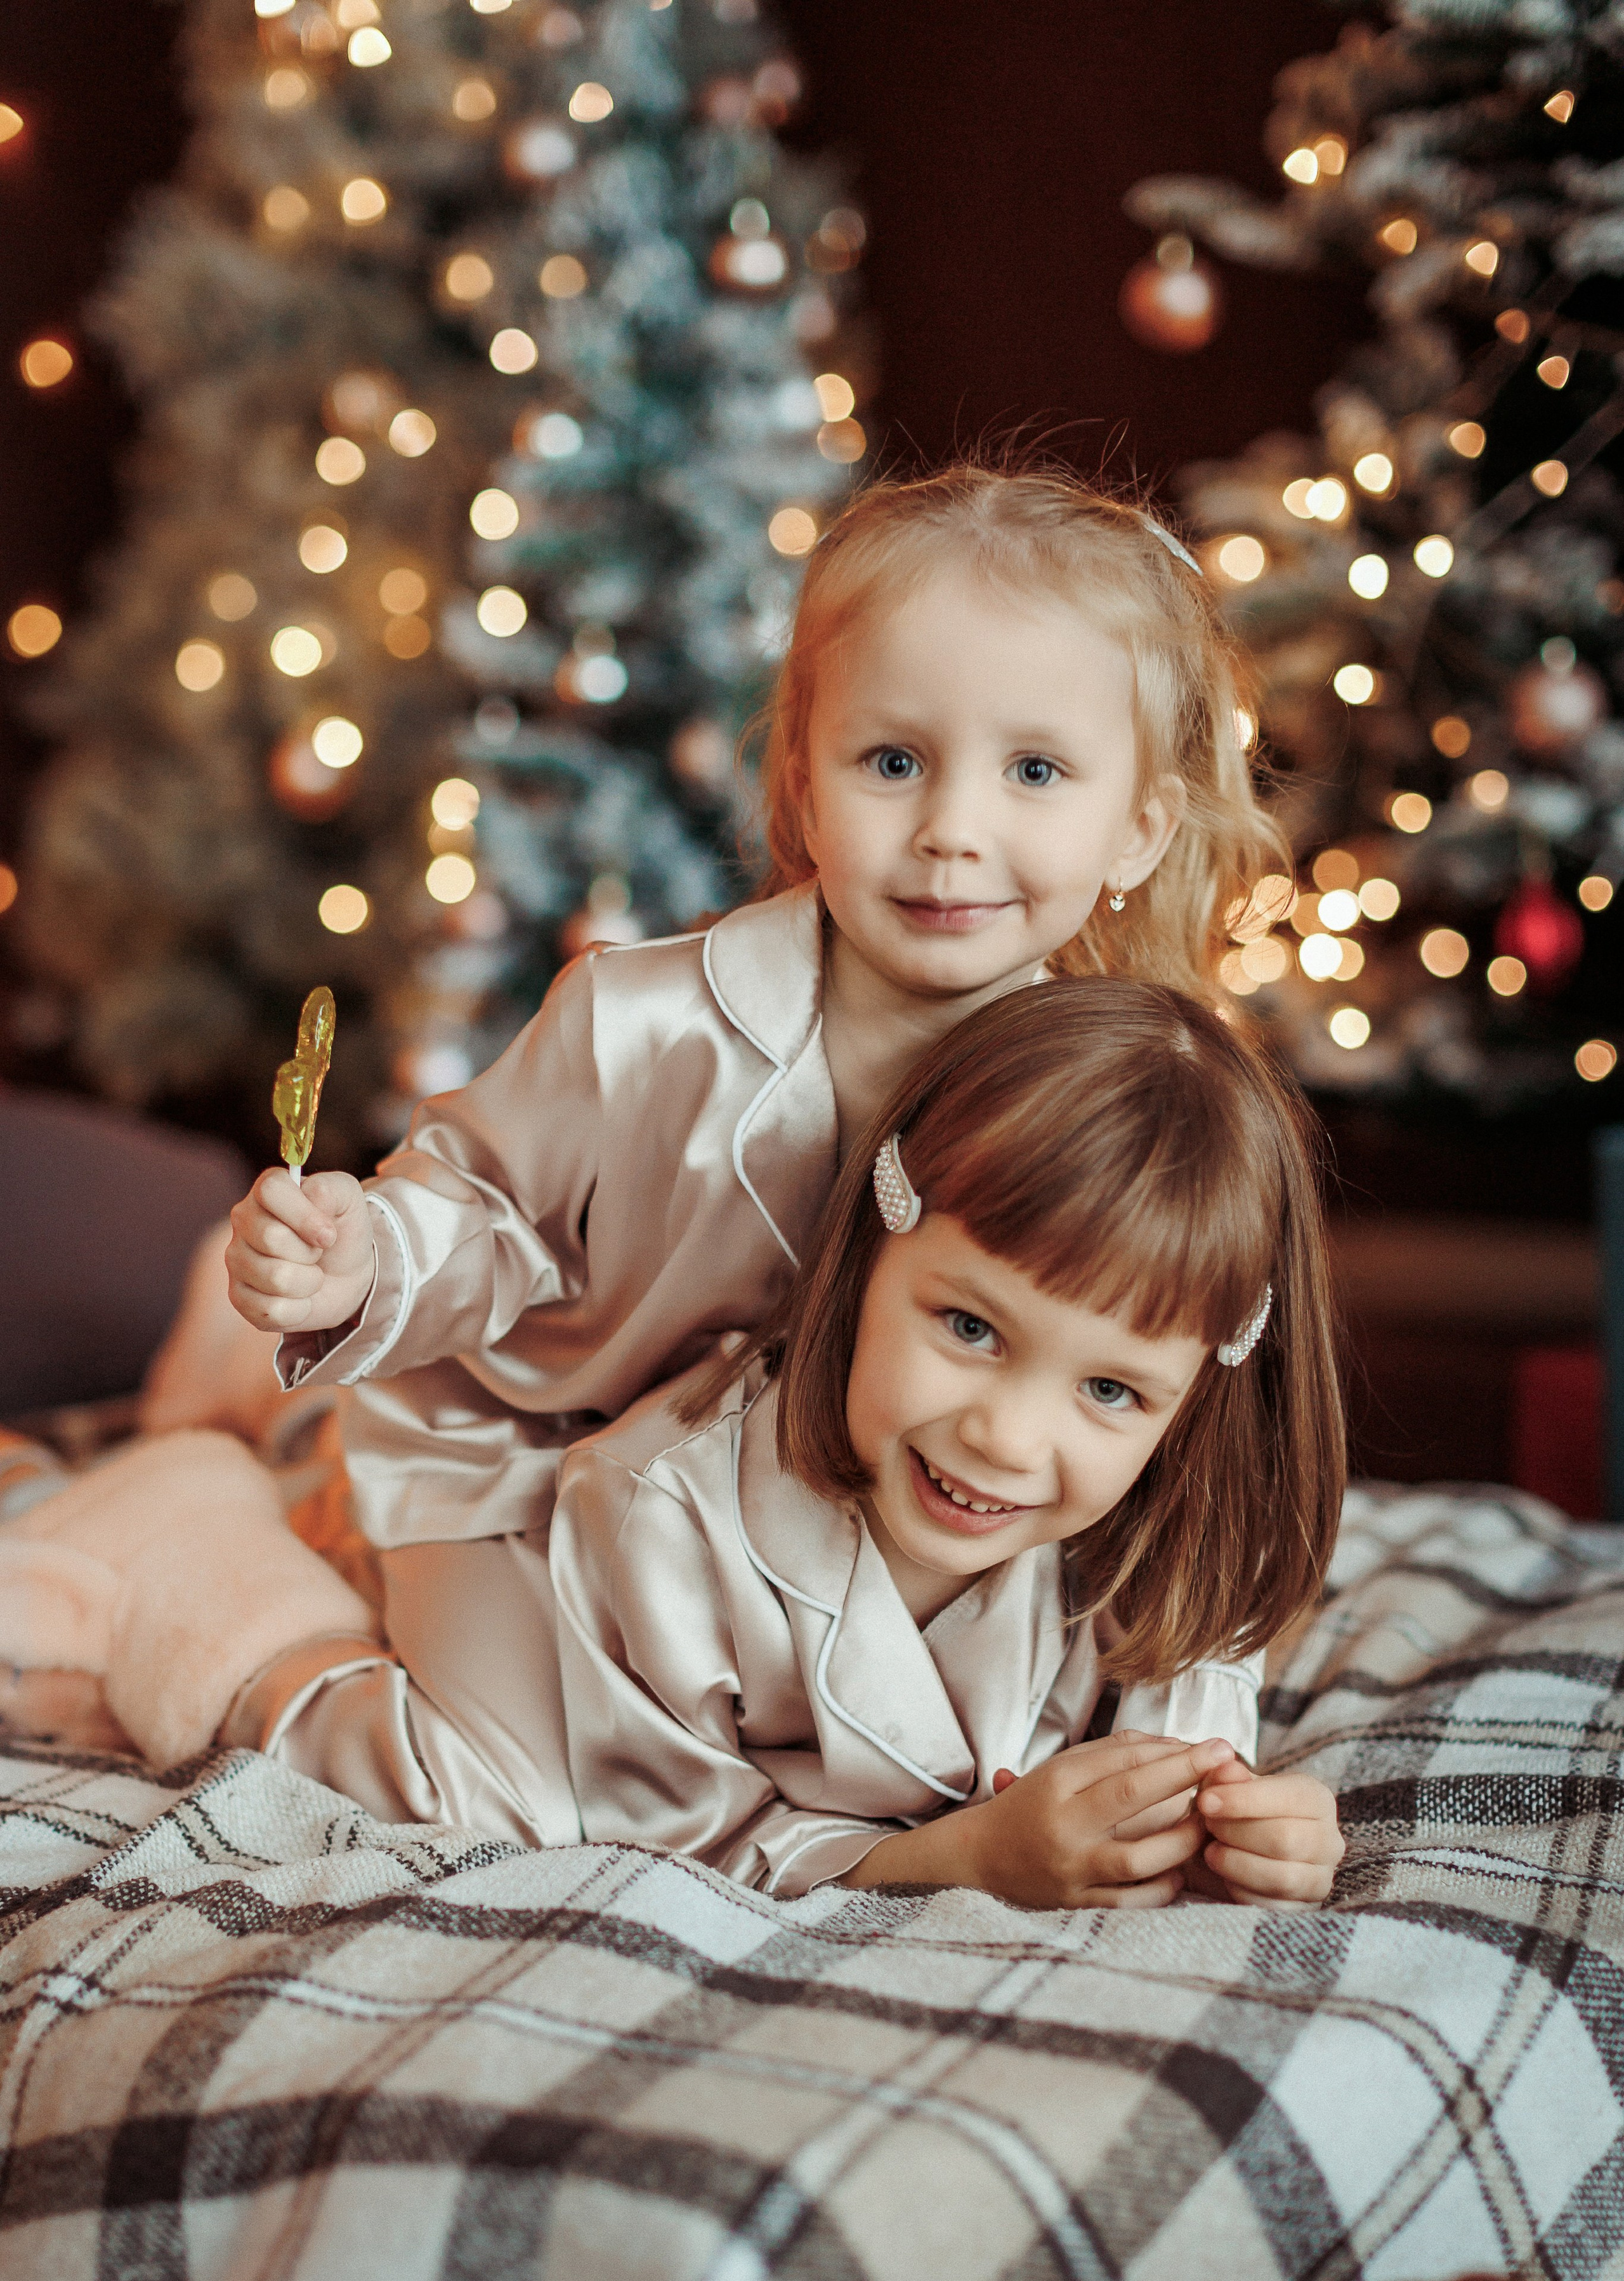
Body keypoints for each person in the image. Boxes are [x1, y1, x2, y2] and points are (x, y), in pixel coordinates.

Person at [221, 466, 1288, 1845]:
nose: (953, 830)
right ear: (804, 772)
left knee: (819, 1779)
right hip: (530, 1467)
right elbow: (484, 1202)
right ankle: (224, 1600)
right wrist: (372, 1256)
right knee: (503, 1814)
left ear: (1136, 826)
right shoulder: (643, 1021)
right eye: (892, 761)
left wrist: (1191, 1783)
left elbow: (1191, 1455)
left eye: (1033, 771)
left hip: (779, 1530)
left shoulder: (1104, 1107)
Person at [548, 979, 1346, 1907]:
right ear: (872, 1253)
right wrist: (965, 1860)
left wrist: (1242, 1838)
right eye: (970, 1328)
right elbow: (658, 1840)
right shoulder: (658, 1510)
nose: (1006, 1440)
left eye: (1110, 1389)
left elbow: (1179, 1787)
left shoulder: (1178, 1529)